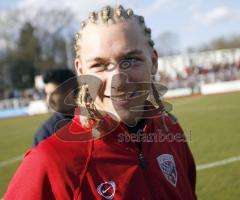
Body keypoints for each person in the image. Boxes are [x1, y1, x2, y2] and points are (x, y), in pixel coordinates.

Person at [4, 5, 196, 200]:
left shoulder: (171, 131)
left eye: (130, 59)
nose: (117, 81)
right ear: (81, 71)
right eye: (99, 65)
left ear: (153, 61)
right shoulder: (49, 161)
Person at [33, 68, 79, 146]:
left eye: (54, 93)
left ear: (70, 93)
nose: (48, 100)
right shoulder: (46, 133)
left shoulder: (94, 120)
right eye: (46, 94)